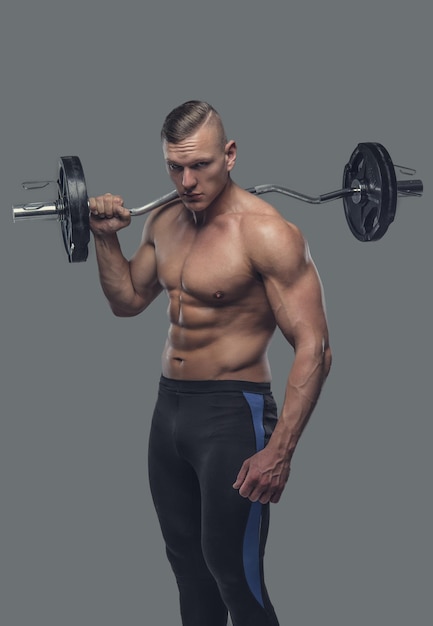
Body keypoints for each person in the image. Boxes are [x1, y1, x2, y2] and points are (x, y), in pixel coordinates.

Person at [88, 101, 332, 626]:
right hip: (169, 413)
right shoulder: (164, 222)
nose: (187, 180)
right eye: (175, 167)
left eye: (200, 165)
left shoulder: (266, 234)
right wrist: (105, 236)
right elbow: (127, 300)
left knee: (233, 573)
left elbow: (315, 346)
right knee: (187, 569)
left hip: (231, 416)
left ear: (231, 154)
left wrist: (280, 450)